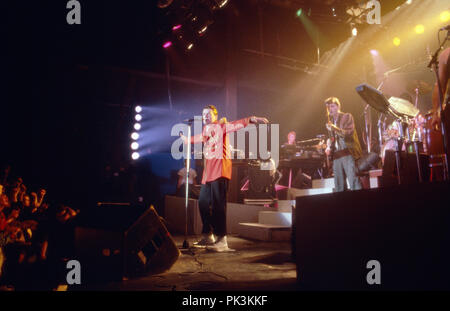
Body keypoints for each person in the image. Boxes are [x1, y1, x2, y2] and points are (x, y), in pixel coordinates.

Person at [182, 105, 268, 252]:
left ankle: (222, 239)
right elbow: (201, 138)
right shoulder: (206, 129)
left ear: (215, 115)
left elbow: (235, 125)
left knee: (218, 206)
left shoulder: (221, 125)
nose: (205, 116)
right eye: (203, 114)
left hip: (220, 171)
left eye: (208, 114)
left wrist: (253, 119)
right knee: (202, 202)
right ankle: (208, 235)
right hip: (208, 174)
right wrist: (187, 139)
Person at [324, 97, 362, 192]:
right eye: (328, 107)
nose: (330, 109)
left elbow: (348, 133)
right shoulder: (331, 122)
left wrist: (334, 128)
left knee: (353, 181)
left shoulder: (347, 116)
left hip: (347, 153)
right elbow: (333, 139)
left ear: (338, 106)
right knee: (339, 185)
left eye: (332, 106)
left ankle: (361, 202)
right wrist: (328, 145)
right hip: (336, 155)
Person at [430, 47, 450, 173]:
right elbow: (440, 85)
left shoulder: (446, 54)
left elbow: (440, 86)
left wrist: (436, 112)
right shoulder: (446, 54)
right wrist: (436, 112)